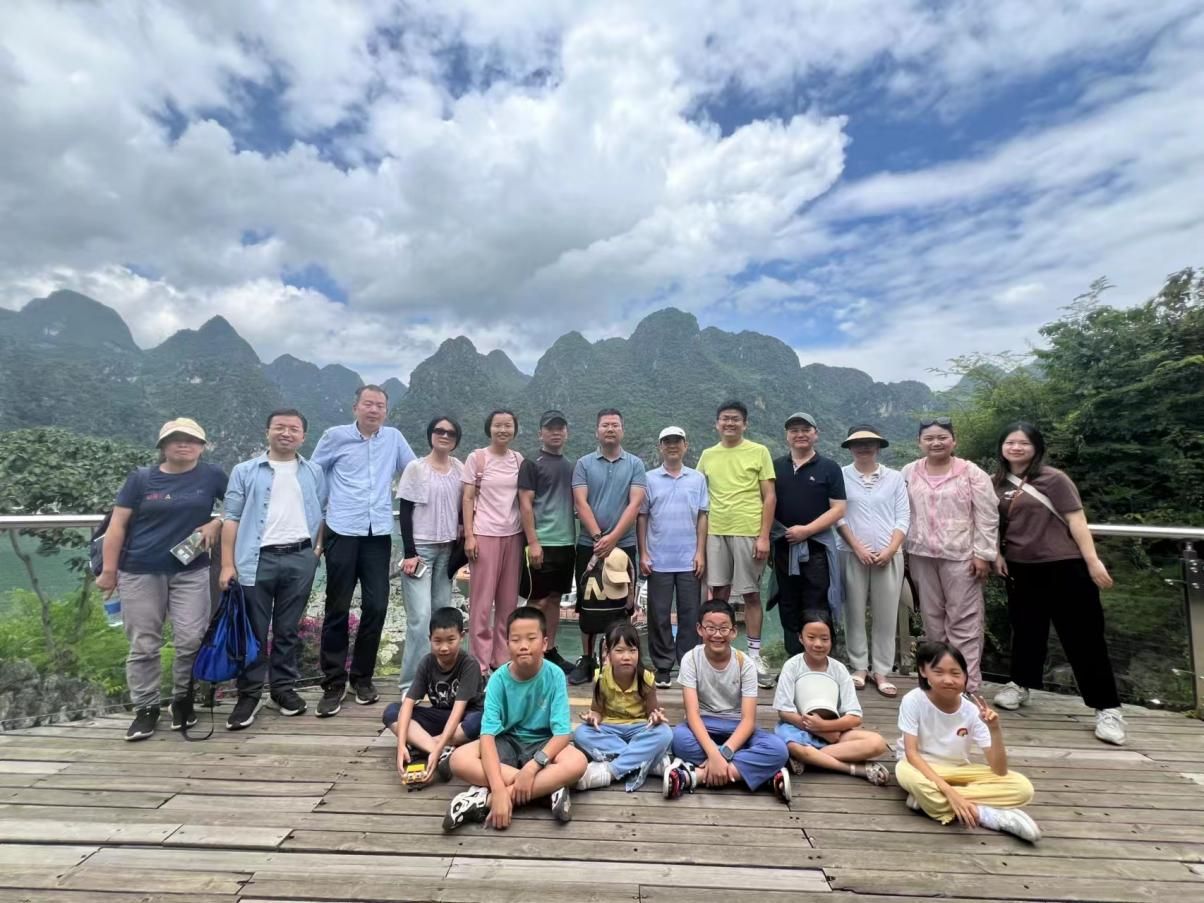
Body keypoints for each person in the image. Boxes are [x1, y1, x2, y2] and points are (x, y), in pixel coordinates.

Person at [991, 422, 1126, 745]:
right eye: (1010, 442)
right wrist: (996, 553)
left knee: (1084, 637)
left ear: (1036, 447)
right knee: (1026, 630)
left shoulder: (1054, 479)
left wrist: (1092, 561)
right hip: (1020, 567)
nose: (1016, 448)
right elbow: (990, 523)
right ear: (1002, 447)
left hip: (1065, 566)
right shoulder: (995, 483)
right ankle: (1020, 684)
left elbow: (1076, 519)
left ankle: (1107, 708)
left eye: (1023, 443)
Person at [97, 418, 226, 741]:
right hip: (139, 569)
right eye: (176, 439)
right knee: (144, 642)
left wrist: (217, 522)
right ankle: (146, 707)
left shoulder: (212, 476)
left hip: (191, 570)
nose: (184, 444)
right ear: (163, 446)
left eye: (191, 440)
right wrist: (109, 571)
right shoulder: (141, 479)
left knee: (191, 638)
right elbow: (117, 526)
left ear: (202, 446)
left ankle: (182, 700)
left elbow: (240, 504)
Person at [311, 385, 416, 716]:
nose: (374, 410)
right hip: (341, 529)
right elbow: (314, 475)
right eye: (368, 404)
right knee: (337, 607)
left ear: (386, 411)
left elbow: (415, 472)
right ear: (355, 407)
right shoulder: (335, 437)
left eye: (380, 405)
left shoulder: (394, 438)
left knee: (377, 605)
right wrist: (318, 522)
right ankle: (333, 682)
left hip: (378, 532)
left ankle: (362, 677)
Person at [220, 409, 327, 729]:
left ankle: (282, 690)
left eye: (294, 429)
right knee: (252, 630)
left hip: (300, 557)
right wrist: (227, 563)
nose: (286, 433)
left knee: (287, 630)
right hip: (256, 559)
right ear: (267, 431)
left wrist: (316, 551)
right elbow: (231, 518)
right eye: (280, 427)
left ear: (303, 436)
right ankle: (249, 695)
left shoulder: (313, 471)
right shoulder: (245, 470)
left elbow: (322, 510)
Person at [442, 606, 588, 831]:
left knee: (578, 762)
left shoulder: (555, 675)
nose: (523, 646)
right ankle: (548, 789)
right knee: (458, 759)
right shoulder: (498, 680)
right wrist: (498, 787)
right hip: (507, 741)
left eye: (531, 638)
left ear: (545, 643)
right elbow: (487, 736)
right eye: (516, 639)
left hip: (542, 744)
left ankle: (484, 801)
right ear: (507, 643)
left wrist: (528, 772)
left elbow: (561, 734)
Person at [895, 641, 1041, 843]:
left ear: (965, 676)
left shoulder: (972, 711)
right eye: (939, 672)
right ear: (923, 671)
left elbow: (999, 770)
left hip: (958, 769)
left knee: (1022, 788)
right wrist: (950, 792)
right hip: (919, 766)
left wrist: (995, 729)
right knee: (904, 770)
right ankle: (986, 814)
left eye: (956, 673)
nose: (948, 680)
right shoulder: (913, 700)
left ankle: (928, 801)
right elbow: (912, 754)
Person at [901, 418, 998, 693]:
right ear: (919, 442)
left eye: (942, 437)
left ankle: (966, 685)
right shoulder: (909, 472)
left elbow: (987, 515)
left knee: (964, 621)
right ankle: (938, 682)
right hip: (921, 554)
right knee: (932, 621)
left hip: (961, 555)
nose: (936, 443)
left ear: (954, 441)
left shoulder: (971, 473)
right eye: (929, 438)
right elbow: (900, 511)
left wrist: (983, 554)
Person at [663, 600, 791, 803]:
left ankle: (694, 776)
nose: (717, 634)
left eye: (723, 628)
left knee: (778, 749)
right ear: (699, 629)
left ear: (733, 632)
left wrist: (721, 755)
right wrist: (714, 754)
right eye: (710, 628)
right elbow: (692, 714)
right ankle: (758, 775)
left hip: (737, 726)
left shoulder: (745, 664)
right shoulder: (691, 659)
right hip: (704, 723)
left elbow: (748, 720)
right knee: (678, 738)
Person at [697, 401, 776, 687]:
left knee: (751, 593)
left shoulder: (759, 451)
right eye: (725, 419)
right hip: (716, 531)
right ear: (716, 423)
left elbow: (769, 496)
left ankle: (754, 654)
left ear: (745, 423)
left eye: (735, 419)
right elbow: (698, 494)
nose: (730, 423)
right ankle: (716, 651)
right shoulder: (707, 455)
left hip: (748, 530)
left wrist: (764, 536)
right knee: (717, 593)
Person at [567, 409, 646, 685]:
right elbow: (580, 502)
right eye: (605, 425)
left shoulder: (635, 464)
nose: (610, 429)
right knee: (587, 604)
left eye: (615, 425)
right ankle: (587, 659)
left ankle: (618, 661)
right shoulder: (584, 464)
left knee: (622, 605)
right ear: (597, 431)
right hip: (589, 545)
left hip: (624, 545)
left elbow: (635, 504)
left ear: (622, 430)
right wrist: (599, 537)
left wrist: (612, 539)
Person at [773, 611, 890, 783]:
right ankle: (854, 769)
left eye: (824, 638)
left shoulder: (839, 669)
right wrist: (818, 729)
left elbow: (855, 717)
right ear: (800, 638)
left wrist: (826, 727)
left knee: (877, 743)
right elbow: (784, 711)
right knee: (793, 746)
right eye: (811, 637)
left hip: (834, 731)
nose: (818, 644)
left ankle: (810, 758)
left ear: (831, 640)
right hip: (798, 729)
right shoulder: (792, 666)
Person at [836, 425, 909, 696]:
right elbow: (838, 515)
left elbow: (903, 516)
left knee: (886, 615)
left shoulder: (895, 478)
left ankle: (881, 671)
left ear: (878, 446)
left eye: (869, 443)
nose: (864, 447)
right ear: (850, 448)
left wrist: (891, 549)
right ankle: (858, 667)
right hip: (851, 552)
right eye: (858, 443)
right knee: (853, 611)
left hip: (888, 555)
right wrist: (857, 546)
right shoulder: (841, 476)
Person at [396, 416, 464, 693]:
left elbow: (464, 506)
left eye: (450, 433)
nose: (444, 436)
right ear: (430, 434)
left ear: (456, 439)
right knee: (420, 618)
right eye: (439, 431)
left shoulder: (459, 468)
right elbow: (405, 511)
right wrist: (410, 553)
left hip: (448, 549)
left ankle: (438, 678)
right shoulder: (416, 468)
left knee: (440, 616)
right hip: (421, 551)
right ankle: (411, 684)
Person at [638, 426, 709, 688]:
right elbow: (642, 517)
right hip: (658, 559)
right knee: (659, 614)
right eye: (667, 442)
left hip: (689, 559)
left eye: (677, 441)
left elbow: (702, 517)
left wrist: (700, 552)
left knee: (690, 614)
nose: (672, 446)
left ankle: (687, 665)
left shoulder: (697, 479)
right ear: (660, 447)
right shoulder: (649, 479)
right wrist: (644, 552)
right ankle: (663, 666)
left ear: (685, 446)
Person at [772, 412, 846, 660]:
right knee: (788, 603)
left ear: (816, 433)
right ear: (787, 436)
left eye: (805, 430)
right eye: (794, 430)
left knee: (817, 604)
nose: (800, 435)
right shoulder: (776, 467)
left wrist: (807, 530)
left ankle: (821, 661)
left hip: (816, 549)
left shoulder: (829, 468)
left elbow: (838, 509)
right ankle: (794, 661)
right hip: (784, 547)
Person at [384, 606, 484, 786]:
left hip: (464, 717)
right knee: (392, 712)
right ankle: (439, 751)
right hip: (440, 716)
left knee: (478, 722)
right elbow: (408, 703)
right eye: (437, 641)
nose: (444, 648)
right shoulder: (427, 662)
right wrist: (401, 746)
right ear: (430, 638)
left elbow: (458, 711)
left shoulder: (469, 664)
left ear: (462, 636)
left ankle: (422, 745)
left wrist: (413, 740)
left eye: (451, 640)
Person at [573, 621, 674, 792]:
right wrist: (593, 718)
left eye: (632, 651)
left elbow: (652, 712)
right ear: (608, 653)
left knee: (665, 733)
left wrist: (655, 717)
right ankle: (649, 762)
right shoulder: (601, 678)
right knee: (581, 734)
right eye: (619, 651)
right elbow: (597, 711)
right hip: (611, 729)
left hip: (639, 728)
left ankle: (610, 771)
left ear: (638, 653)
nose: (626, 657)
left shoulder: (646, 678)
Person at [462, 410, 525, 673]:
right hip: (485, 534)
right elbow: (467, 498)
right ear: (489, 428)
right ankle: (479, 663)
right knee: (482, 603)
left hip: (513, 535)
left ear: (514, 430)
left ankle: (502, 659)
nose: (503, 430)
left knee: (508, 603)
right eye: (498, 425)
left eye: (508, 425)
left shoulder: (518, 460)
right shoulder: (477, 458)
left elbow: (524, 499)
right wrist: (469, 536)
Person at [518, 410, 577, 672]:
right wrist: (533, 542)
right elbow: (525, 504)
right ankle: (528, 651)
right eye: (550, 428)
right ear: (540, 433)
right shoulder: (532, 463)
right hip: (541, 543)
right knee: (537, 601)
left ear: (566, 433)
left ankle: (549, 649)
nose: (556, 432)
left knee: (554, 599)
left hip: (566, 543)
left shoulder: (571, 466)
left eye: (560, 428)